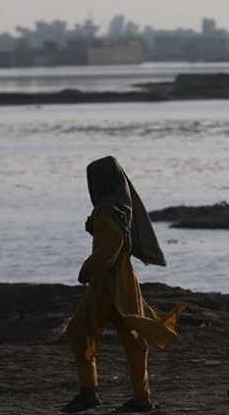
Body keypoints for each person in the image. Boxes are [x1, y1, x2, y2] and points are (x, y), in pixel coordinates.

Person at [61, 156, 185, 413]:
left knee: (78, 332)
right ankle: (141, 398)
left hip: (106, 287)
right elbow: (117, 240)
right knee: (134, 342)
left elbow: (112, 245)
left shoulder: (107, 210)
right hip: (125, 285)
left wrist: (87, 269)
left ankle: (89, 393)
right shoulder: (120, 207)